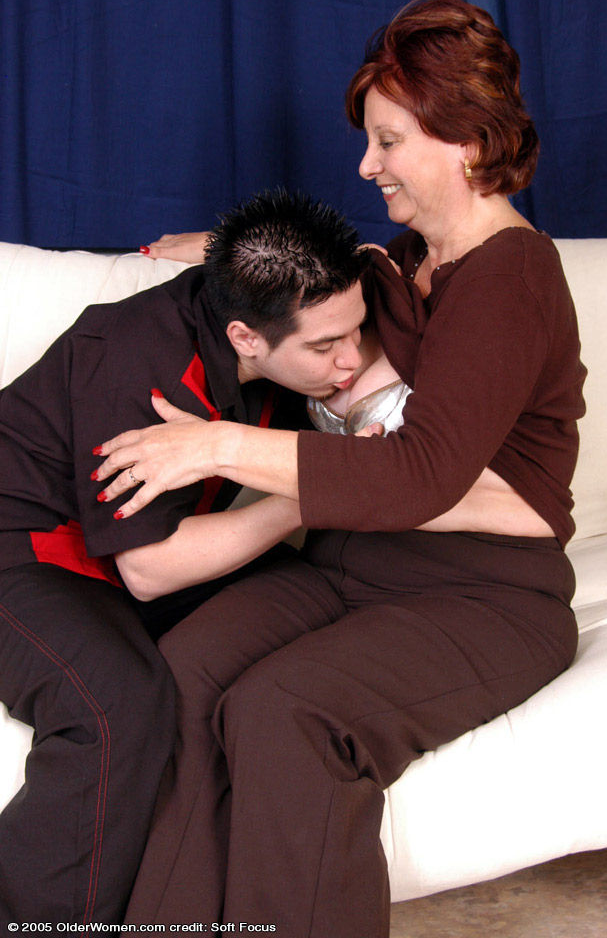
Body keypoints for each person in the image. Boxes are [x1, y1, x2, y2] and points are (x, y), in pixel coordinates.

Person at [93, 0, 587, 935]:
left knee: (284, 712)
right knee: (180, 676)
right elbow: (333, 283)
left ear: (466, 143)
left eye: (388, 141)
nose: (367, 164)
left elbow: (422, 473)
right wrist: (231, 260)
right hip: (346, 566)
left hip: (484, 596)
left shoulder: (511, 277)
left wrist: (217, 444)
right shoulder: (408, 260)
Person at [0, 189, 380, 925]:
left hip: (122, 558)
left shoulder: (274, 305)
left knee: (311, 599)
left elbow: (372, 262)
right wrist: (313, 491)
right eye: (324, 347)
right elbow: (150, 570)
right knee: (119, 705)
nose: (351, 357)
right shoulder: (134, 359)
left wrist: (215, 245)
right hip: (27, 549)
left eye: (355, 331)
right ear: (245, 337)